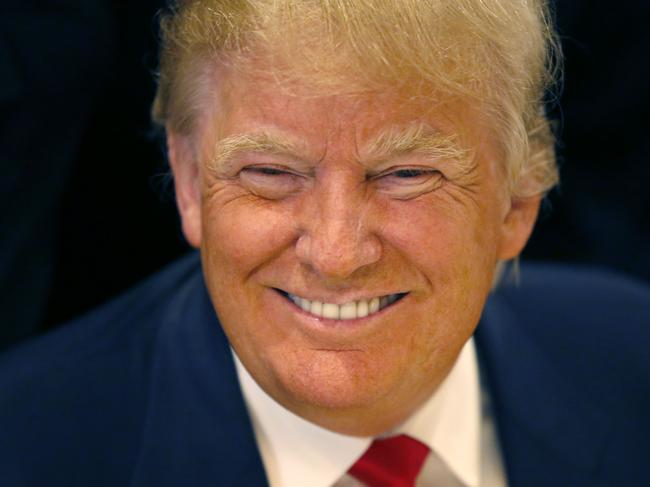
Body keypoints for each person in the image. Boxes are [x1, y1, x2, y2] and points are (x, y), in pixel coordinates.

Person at [1, 1, 648, 486]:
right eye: (271, 173)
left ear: (518, 199)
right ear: (190, 183)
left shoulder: (631, 360)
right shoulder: (25, 445)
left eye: (406, 174)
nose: (336, 254)